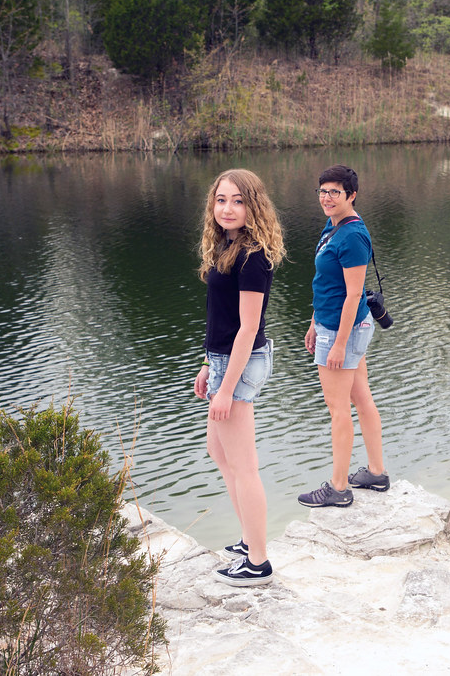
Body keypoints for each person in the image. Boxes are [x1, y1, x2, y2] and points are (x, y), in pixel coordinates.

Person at [193, 169, 286, 586]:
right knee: (220, 451)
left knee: (244, 466)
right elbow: (222, 318)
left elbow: (248, 329)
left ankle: (258, 562)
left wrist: (225, 387)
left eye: (237, 201)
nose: (227, 208)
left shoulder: (252, 256)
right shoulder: (228, 246)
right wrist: (207, 365)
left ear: (253, 206)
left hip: (240, 363)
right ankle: (249, 540)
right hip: (223, 359)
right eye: (221, 200)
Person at [298, 164, 389, 508]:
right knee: (360, 399)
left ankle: (338, 487)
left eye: (335, 192)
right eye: (322, 190)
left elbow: (353, 294)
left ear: (351, 195)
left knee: (338, 408)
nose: (326, 197)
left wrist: (337, 343)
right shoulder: (333, 226)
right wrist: (313, 322)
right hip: (332, 324)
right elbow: (327, 285)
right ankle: (376, 473)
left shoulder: (352, 236)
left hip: (343, 330)